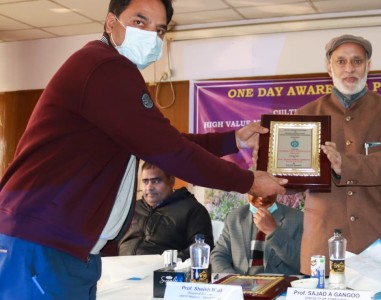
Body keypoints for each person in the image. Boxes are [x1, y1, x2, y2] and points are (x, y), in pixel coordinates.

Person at [0, 0, 286, 298]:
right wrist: (249, 181)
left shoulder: (107, 68)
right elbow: (169, 150)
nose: (151, 34)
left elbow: (163, 142)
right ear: (111, 23)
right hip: (42, 241)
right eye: (140, 22)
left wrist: (233, 140)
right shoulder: (105, 67)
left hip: (61, 244)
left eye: (159, 29)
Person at [296, 34, 381, 275]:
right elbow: (294, 178)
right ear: (329, 68)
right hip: (325, 238)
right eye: (341, 61)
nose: (349, 68)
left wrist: (344, 163)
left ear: (368, 66)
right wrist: (273, 163)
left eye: (357, 61)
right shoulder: (306, 114)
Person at [119, 162, 214, 261]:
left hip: (163, 272)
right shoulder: (132, 208)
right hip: (118, 269)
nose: (149, 188)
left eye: (156, 181)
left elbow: (202, 249)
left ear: (171, 181)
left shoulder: (192, 210)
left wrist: (169, 262)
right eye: (145, 181)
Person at [210, 194, 303, 275]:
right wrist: (233, 281)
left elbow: (302, 262)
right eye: (256, 190)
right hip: (240, 288)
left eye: (267, 189)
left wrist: (273, 231)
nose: (262, 196)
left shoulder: (298, 218)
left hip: (280, 289)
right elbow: (218, 255)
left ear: (276, 189)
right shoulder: (234, 217)